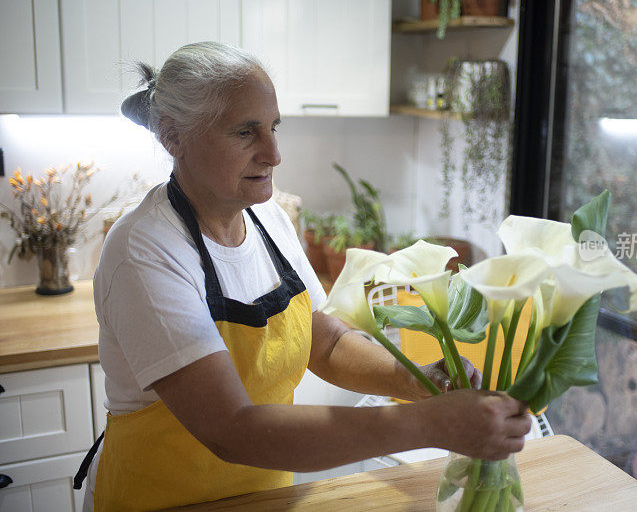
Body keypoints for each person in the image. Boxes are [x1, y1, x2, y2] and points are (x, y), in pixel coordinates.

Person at [75, 42, 531, 511]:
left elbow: (325, 343)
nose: (273, 153)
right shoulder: (145, 250)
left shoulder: (267, 217)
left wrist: (416, 381)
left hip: (264, 497)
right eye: (245, 133)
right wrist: (429, 425)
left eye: (273, 128)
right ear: (173, 137)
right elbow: (232, 429)